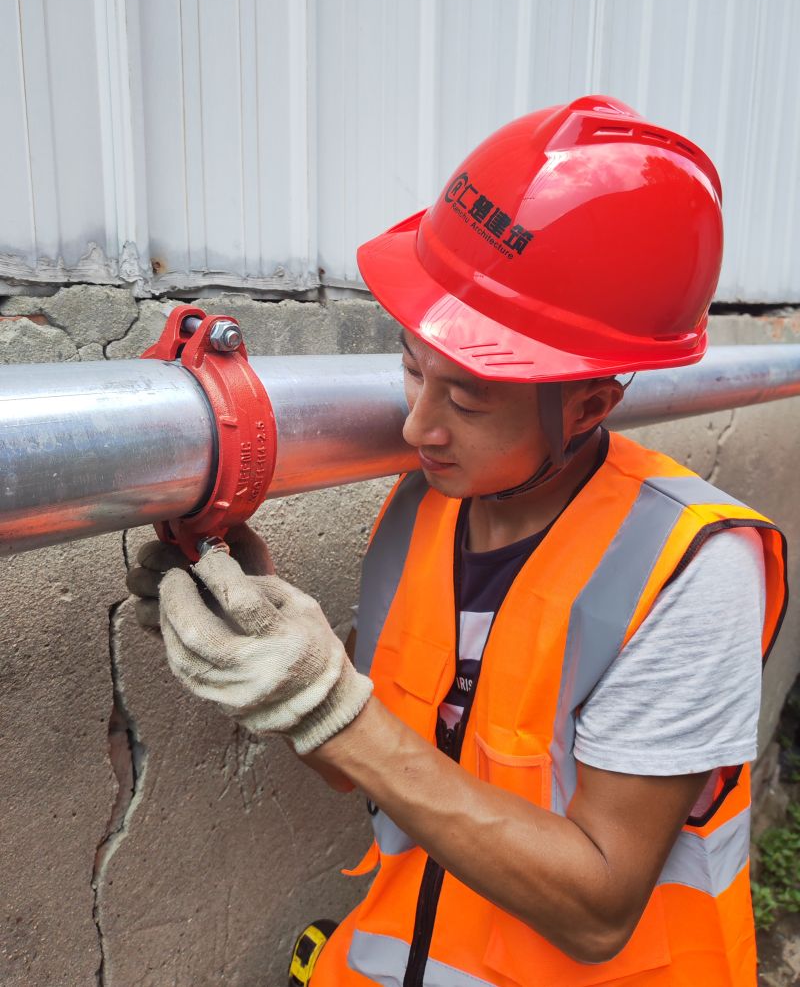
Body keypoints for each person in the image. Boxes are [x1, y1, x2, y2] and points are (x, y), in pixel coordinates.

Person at [129, 96, 787, 986]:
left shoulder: (693, 571)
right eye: (411, 365)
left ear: (590, 403)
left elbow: (598, 910)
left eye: (470, 397)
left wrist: (328, 700)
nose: (419, 424)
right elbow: (364, 769)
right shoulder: (420, 514)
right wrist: (275, 654)